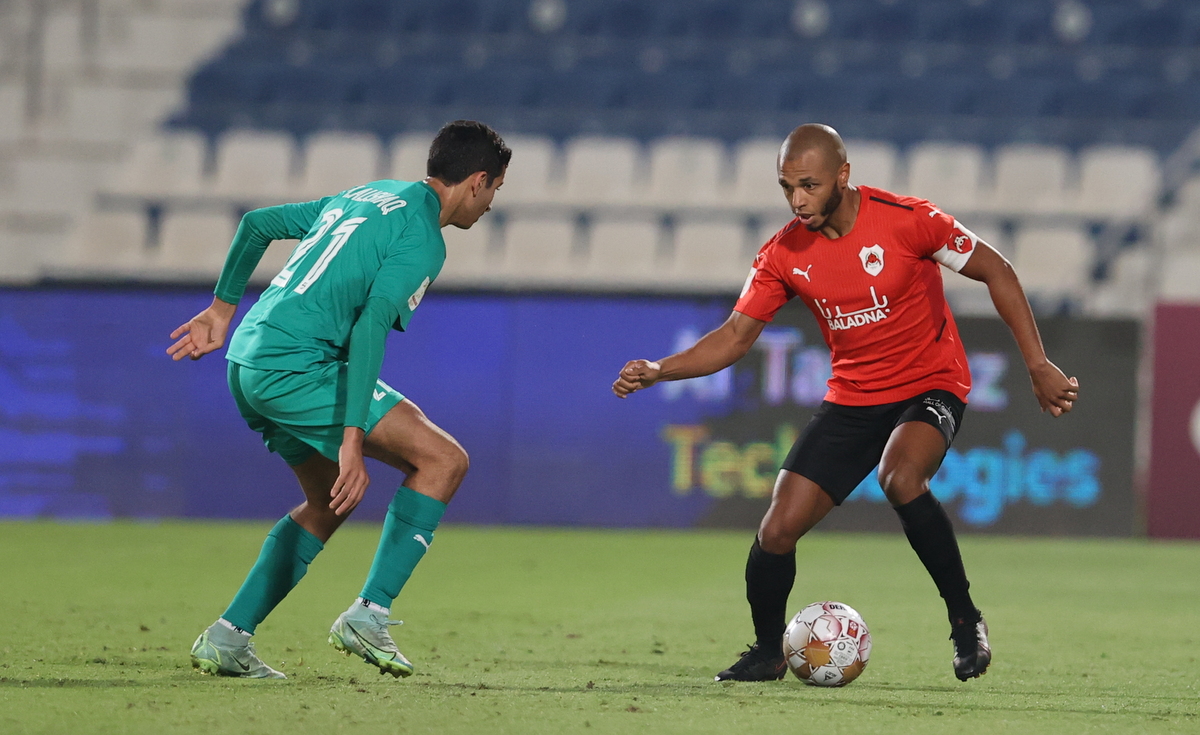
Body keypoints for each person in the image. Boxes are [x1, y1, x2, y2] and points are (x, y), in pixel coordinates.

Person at [612, 123, 1079, 682]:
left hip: (932, 382)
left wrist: (1036, 363)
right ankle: (767, 652)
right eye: (787, 187)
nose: (797, 199)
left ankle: (964, 618)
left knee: (900, 477)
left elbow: (996, 269)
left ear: (843, 175)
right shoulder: (784, 253)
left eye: (809, 185)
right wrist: (661, 370)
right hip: (854, 396)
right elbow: (735, 337)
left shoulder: (909, 220)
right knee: (776, 531)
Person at [167, 120, 510, 679]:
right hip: (295, 365)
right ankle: (369, 615)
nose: (492, 203)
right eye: (496, 188)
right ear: (476, 181)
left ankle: (229, 637)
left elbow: (256, 225)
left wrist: (222, 310)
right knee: (445, 460)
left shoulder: (369, 194)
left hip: (248, 358)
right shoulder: (424, 238)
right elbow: (372, 325)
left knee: (328, 501)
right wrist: (354, 438)